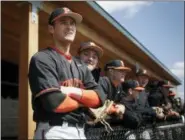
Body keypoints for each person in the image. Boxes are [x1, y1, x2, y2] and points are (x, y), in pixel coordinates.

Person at [28, 7, 105, 139]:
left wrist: (71, 91)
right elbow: (55, 102)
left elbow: (99, 98)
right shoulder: (43, 58)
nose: (70, 27)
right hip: (54, 130)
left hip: (80, 131)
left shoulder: (80, 65)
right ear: (51, 29)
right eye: (64, 22)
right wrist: (85, 102)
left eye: (72, 23)